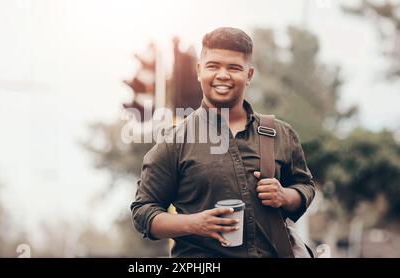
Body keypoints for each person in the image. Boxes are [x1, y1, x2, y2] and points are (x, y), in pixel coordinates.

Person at [130, 27, 315, 258]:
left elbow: (305, 186)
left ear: (249, 75)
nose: (223, 75)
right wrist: (194, 224)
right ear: (199, 70)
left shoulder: (281, 134)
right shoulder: (175, 141)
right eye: (213, 66)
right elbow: (143, 212)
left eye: (234, 68)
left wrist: (285, 196)